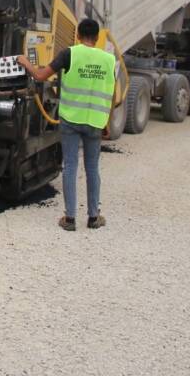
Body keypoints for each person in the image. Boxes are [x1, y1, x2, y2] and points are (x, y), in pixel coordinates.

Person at [17, 18, 116, 232]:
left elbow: (42, 76)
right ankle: (93, 217)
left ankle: (70, 219)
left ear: (78, 35)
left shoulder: (69, 54)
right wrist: (106, 121)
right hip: (95, 122)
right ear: (97, 38)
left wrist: (25, 62)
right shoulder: (109, 60)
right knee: (92, 168)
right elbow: (112, 93)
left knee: (71, 166)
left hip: (71, 120)